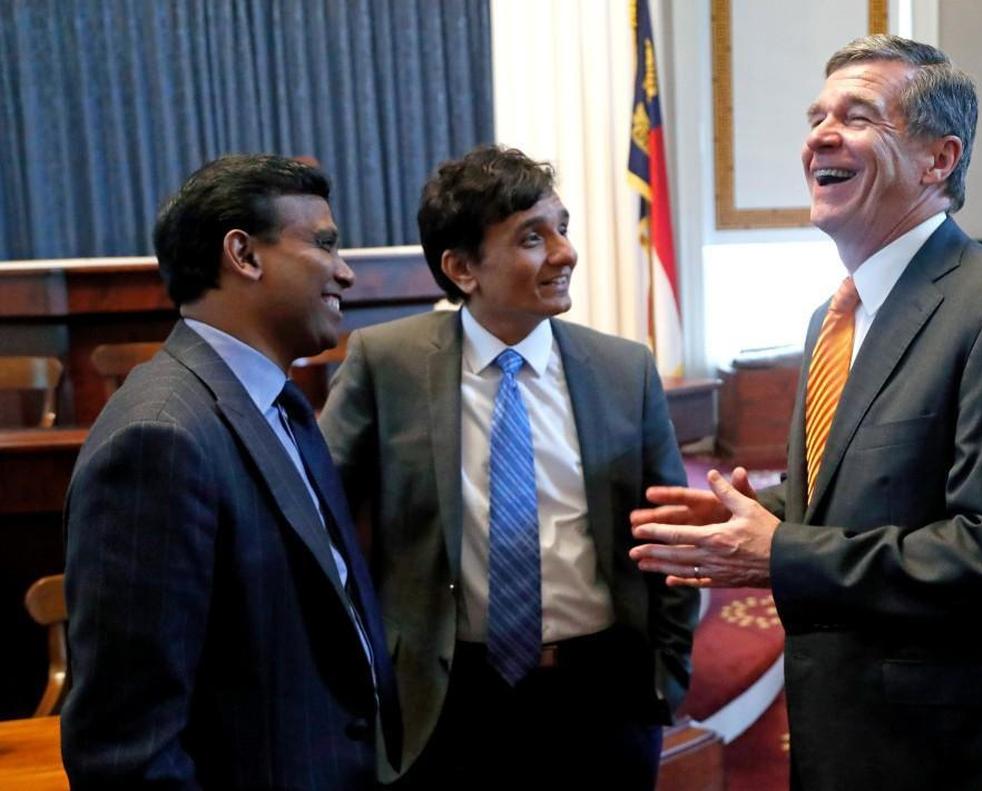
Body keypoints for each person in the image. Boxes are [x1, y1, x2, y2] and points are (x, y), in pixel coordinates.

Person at [630, 35, 982, 791]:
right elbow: (872, 490)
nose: (819, 134)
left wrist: (778, 553)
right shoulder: (832, 317)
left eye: (858, 115)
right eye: (816, 116)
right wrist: (752, 513)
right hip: (849, 718)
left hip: (958, 742)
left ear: (938, 160)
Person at [318, 144, 698, 788]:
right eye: (531, 237)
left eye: (563, 228)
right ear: (462, 267)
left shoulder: (623, 369)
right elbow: (316, 519)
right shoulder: (387, 364)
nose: (565, 253)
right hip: (444, 699)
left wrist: (666, 674)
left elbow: (669, 534)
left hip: (602, 696)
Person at [62, 154, 401, 789]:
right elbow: (128, 751)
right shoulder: (158, 437)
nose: (346, 272)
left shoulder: (280, 403)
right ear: (243, 255)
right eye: (324, 245)